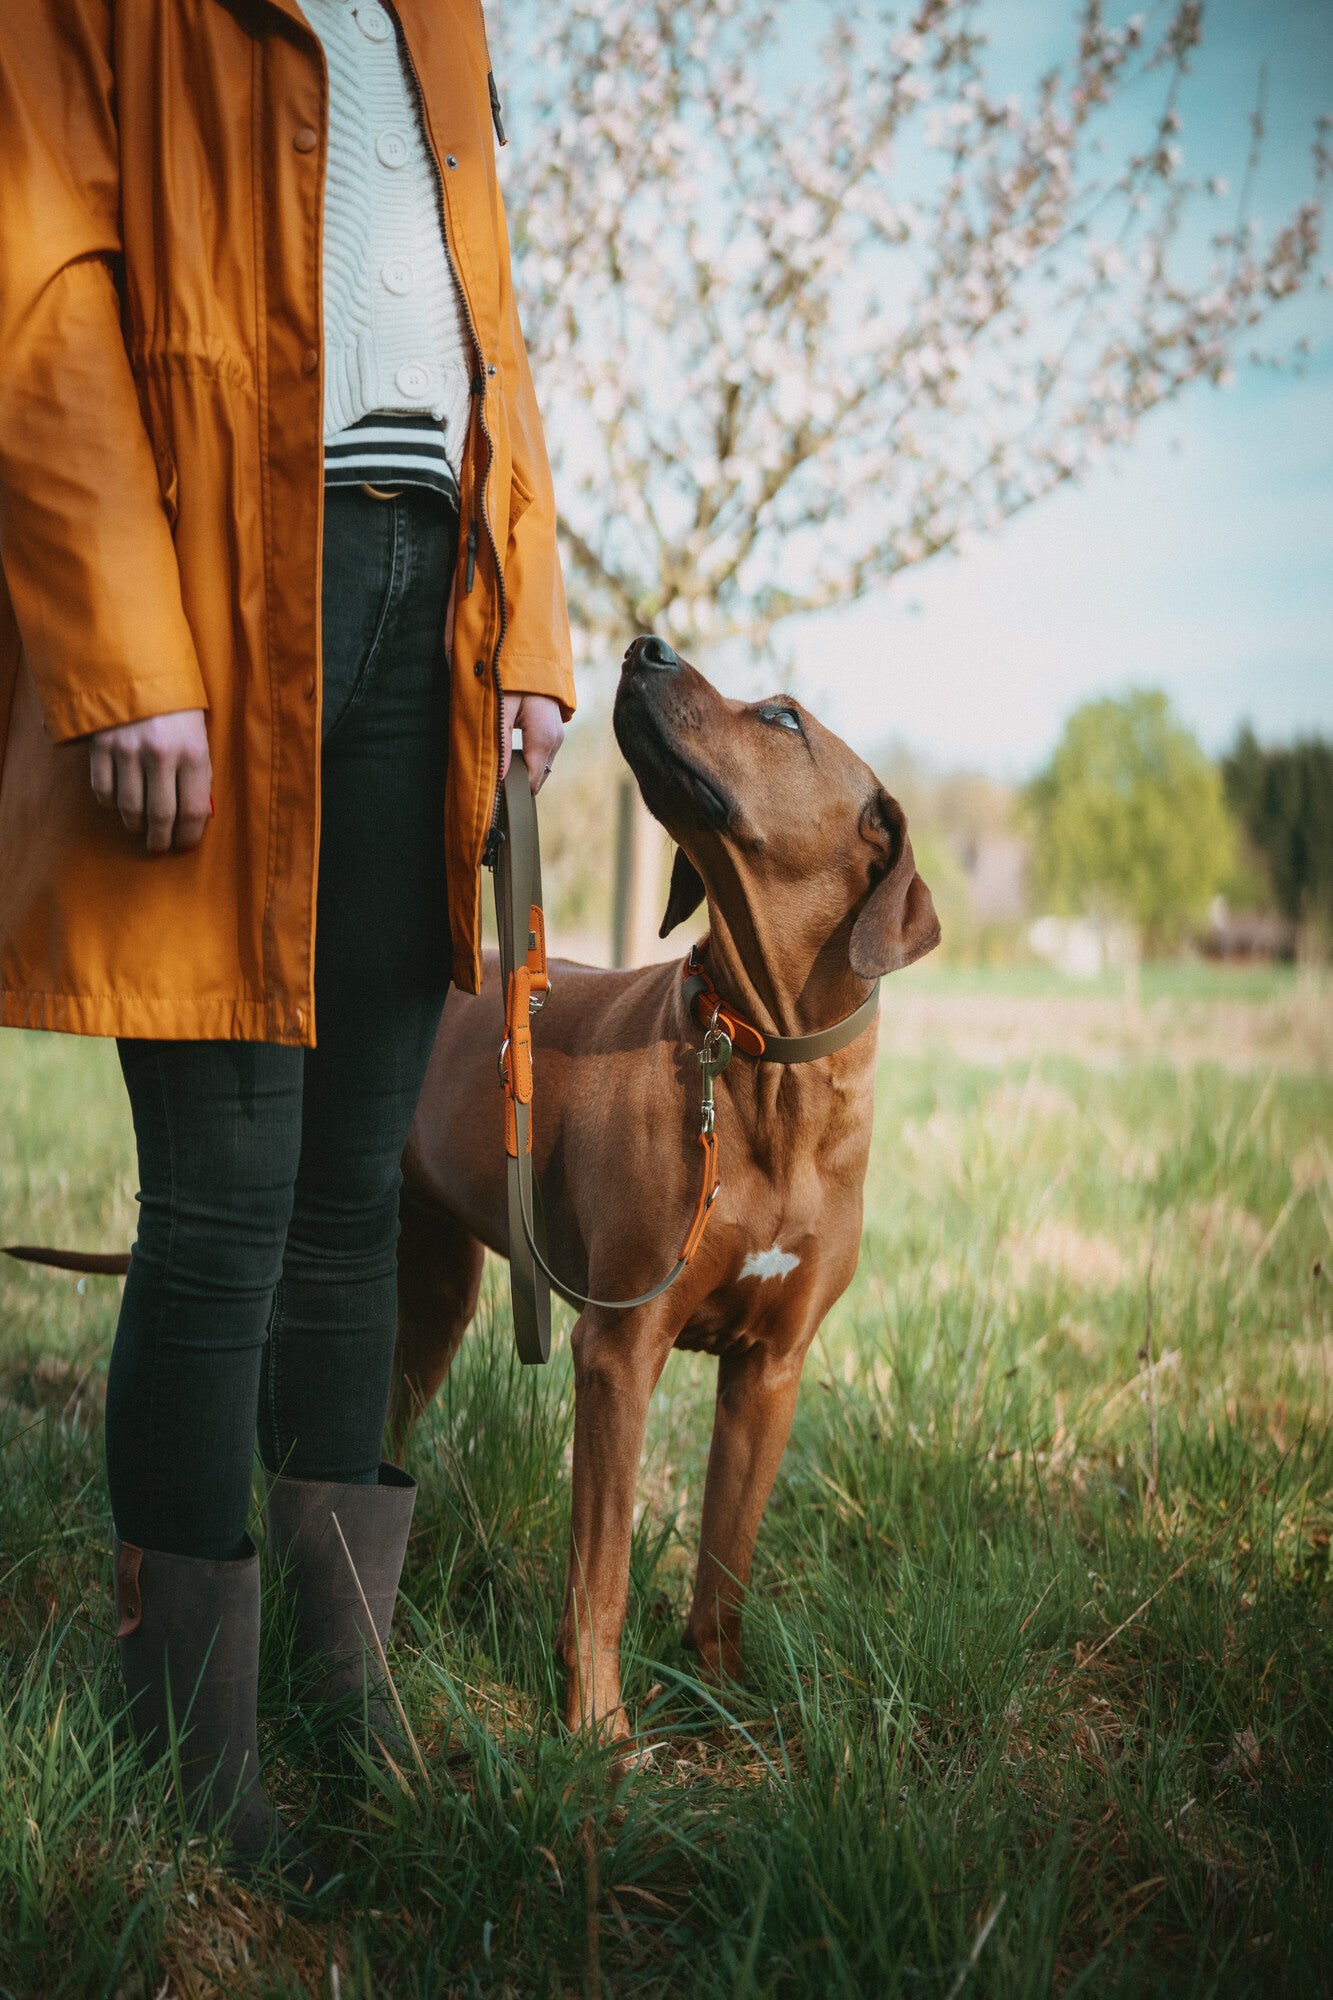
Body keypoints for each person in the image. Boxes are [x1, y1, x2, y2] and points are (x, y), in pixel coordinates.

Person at [0, 0, 573, 1897]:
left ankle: (346, 1707)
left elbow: (496, 327)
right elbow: (38, 288)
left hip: (429, 579)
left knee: (357, 1201)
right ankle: (189, 1762)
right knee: (228, 1199)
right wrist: (122, 648)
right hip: (219, 582)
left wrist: (531, 634)